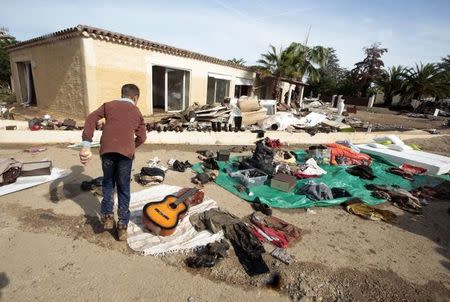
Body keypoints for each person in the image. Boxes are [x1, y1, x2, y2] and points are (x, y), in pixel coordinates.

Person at [79, 84, 147, 241]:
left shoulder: (108, 105)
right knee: (123, 187)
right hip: (126, 155)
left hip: (107, 151)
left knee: (108, 183)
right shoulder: (136, 111)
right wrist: (131, 148)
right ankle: (122, 226)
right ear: (135, 98)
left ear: (122, 94)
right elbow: (142, 137)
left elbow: (91, 118)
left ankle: (108, 217)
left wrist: (86, 145)